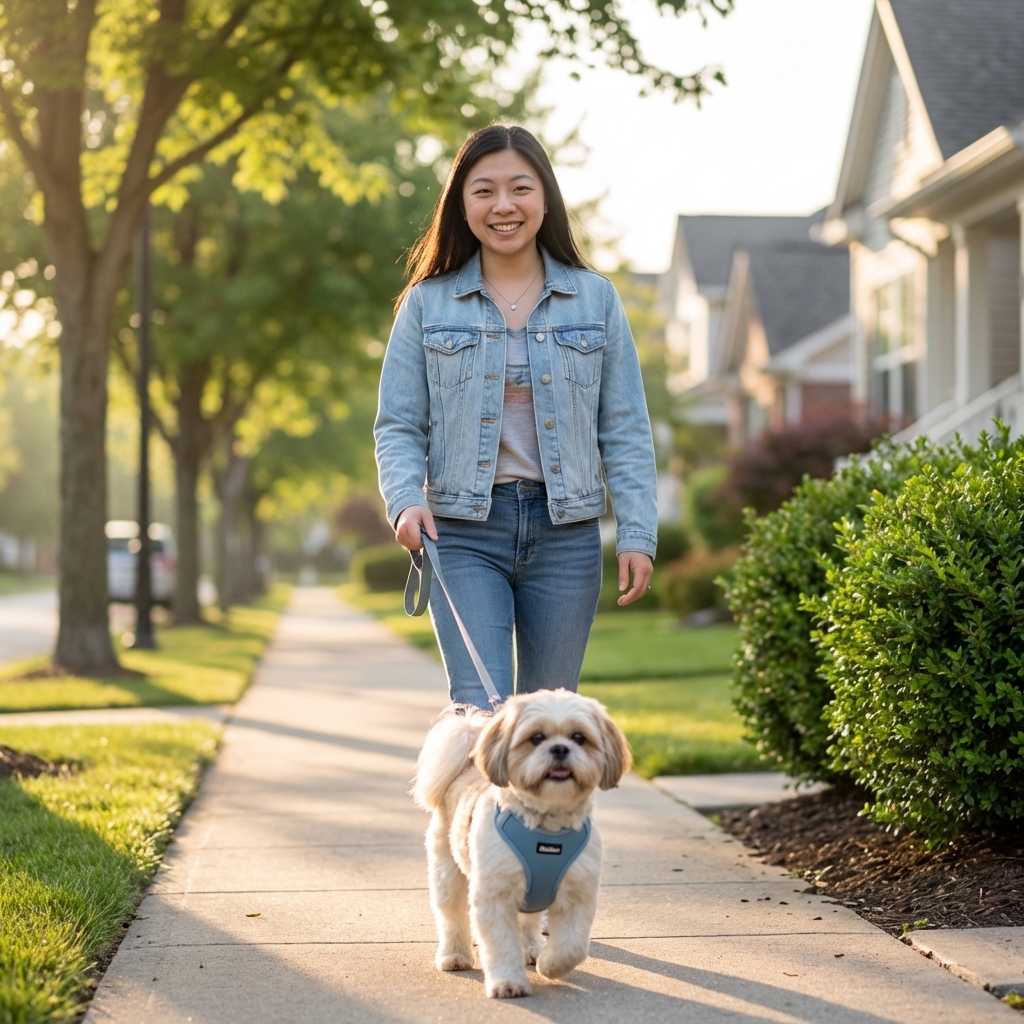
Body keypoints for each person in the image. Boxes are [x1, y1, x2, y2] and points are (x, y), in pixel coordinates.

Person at [374, 123, 658, 709]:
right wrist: (405, 499)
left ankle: (543, 809)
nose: (503, 205)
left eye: (520, 188)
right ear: (462, 203)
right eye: (483, 191)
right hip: (462, 531)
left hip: (567, 536)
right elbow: (398, 424)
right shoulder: (426, 304)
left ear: (545, 197)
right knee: (483, 714)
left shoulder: (595, 299)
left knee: (550, 721)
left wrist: (636, 532)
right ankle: (480, 807)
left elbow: (625, 429)